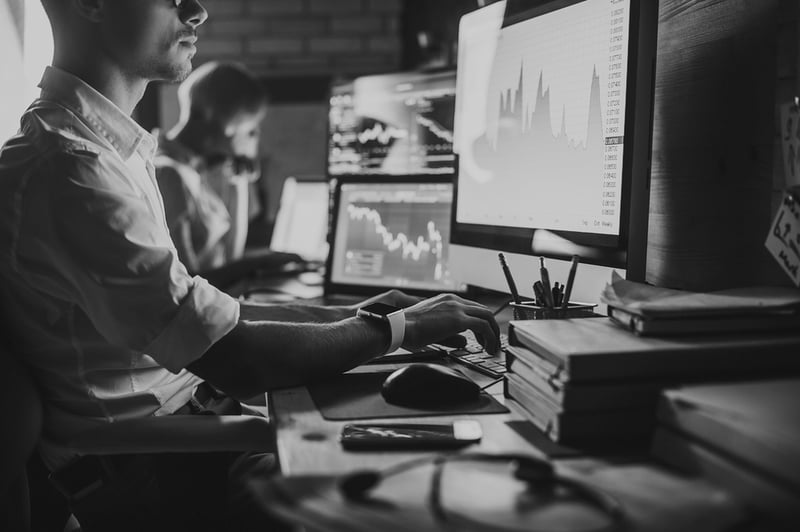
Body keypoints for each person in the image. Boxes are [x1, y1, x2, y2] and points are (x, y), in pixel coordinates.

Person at [0, 0, 500, 530]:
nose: (197, 11)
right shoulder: (73, 168)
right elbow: (235, 357)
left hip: (184, 432)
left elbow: (217, 315)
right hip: (151, 470)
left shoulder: (103, 149)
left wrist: (365, 313)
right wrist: (397, 330)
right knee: (424, 496)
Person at [155, 60, 293, 289]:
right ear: (216, 117)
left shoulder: (193, 170)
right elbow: (187, 283)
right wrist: (259, 263)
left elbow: (230, 258)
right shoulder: (169, 174)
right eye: (250, 127)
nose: (254, 136)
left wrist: (239, 184)